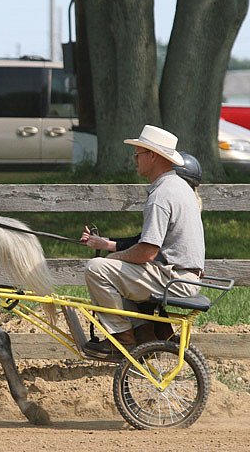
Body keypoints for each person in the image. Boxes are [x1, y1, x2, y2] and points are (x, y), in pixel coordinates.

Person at [80, 126, 205, 358]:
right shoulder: (178, 187)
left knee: (97, 269)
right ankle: (148, 337)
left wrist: (113, 256)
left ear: (153, 156)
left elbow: (146, 251)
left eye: (137, 154)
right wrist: (109, 246)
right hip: (184, 275)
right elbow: (146, 245)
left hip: (175, 280)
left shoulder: (161, 196)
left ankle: (122, 341)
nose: (134, 159)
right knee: (117, 273)